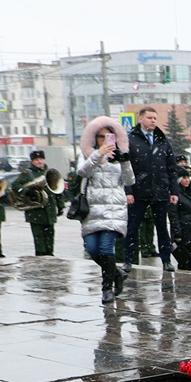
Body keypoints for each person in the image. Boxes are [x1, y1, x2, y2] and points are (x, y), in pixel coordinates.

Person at [74, 118, 132, 304]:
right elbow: (82, 172)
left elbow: (130, 180)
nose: (105, 140)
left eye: (109, 136)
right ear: (94, 138)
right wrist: (98, 154)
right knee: (92, 249)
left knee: (106, 248)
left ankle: (106, 288)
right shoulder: (87, 155)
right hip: (92, 209)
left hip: (114, 209)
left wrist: (125, 162)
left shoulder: (120, 155)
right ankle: (117, 273)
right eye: (101, 137)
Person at [123, 107, 178, 271]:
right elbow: (125, 167)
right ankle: (128, 260)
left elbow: (172, 168)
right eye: (149, 118)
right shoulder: (131, 140)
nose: (153, 121)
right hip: (138, 191)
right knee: (132, 228)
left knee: (162, 228)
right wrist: (128, 191)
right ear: (140, 119)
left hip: (159, 191)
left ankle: (166, 261)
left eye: (155, 118)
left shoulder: (162, 140)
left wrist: (174, 191)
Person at [11, 150, 64, 256]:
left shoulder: (50, 172)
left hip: (49, 209)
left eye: (41, 159)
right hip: (36, 211)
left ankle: (50, 255)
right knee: (39, 236)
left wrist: (60, 206)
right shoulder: (27, 173)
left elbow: (58, 192)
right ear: (32, 161)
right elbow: (15, 185)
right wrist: (27, 191)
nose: (39, 161)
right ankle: (41, 255)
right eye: (36, 160)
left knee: (50, 234)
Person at [170, 169, 191, 271]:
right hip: (184, 232)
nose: (187, 180)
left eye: (188, 178)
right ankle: (184, 281)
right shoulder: (176, 195)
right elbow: (173, 215)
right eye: (184, 178)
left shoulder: (190, 193)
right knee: (185, 260)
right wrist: (177, 233)